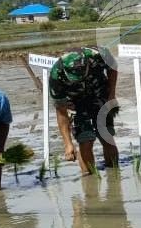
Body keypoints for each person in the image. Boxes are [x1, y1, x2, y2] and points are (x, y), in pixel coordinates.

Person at [49, 46, 119, 175]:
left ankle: (115, 174)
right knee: (85, 140)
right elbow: (61, 112)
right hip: (75, 103)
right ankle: (89, 178)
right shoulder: (56, 74)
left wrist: (111, 94)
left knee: (106, 136)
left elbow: (113, 68)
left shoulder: (98, 55)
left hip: (99, 94)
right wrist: (68, 144)